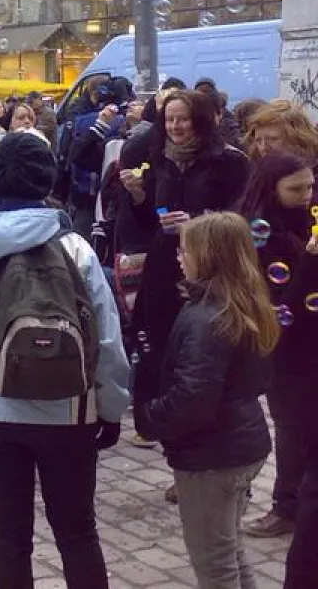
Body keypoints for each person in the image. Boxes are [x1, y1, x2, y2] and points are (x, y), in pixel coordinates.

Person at [0, 132, 130, 589]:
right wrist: (112, 407)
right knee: (78, 532)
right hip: (69, 409)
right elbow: (107, 337)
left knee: (8, 534)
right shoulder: (75, 248)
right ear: (47, 178)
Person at [134, 212, 277, 589]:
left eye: (185, 250)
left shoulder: (207, 318)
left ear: (208, 256)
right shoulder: (242, 302)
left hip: (213, 456)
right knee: (231, 550)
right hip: (241, 444)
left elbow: (193, 400)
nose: (179, 257)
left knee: (215, 563)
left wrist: (148, 417)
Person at [117, 90, 250, 413]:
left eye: (183, 119)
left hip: (210, 264)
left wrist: (196, 221)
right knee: (160, 339)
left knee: (201, 340)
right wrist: (137, 196)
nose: (175, 126)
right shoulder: (160, 159)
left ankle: (200, 405)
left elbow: (239, 216)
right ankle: (162, 409)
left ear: (200, 121)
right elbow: (149, 219)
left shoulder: (229, 161)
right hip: (164, 263)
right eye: (169, 119)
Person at [236, 152, 317, 544]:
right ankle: (286, 506)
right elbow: (283, 300)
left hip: (311, 334)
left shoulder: (306, 217)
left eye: (310, 186)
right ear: (272, 189)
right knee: (291, 423)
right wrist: (312, 260)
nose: (306, 195)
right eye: (296, 189)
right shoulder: (259, 234)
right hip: (286, 341)